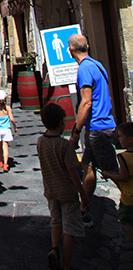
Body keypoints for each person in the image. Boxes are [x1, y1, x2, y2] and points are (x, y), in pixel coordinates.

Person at [68, 33, 118, 227]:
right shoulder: (97, 65)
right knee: (88, 166)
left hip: (98, 127)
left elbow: (86, 102)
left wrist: (76, 131)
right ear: (87, 46)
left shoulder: (84, 69)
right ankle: (84, 209)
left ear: (71, 50)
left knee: (112, 172)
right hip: (100, 126)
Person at [37, 102, 89, 270]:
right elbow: (72, 172)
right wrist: (82, 193)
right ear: (61, 123)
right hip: (67, 192)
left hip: (50, 190)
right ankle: (66, 265)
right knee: (70, 228)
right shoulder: (64, 146)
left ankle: (54, 249)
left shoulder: (40, 141)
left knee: (55, 221)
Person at [101, 121, 133, 243]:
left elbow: (123, 177)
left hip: (129, 198)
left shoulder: (123, 157)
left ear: (130, 139)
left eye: (120, 136)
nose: (119, 139)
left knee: (125, 218)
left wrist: (109, 175)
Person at [0, 89, 17, 172]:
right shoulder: (8, 108)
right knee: (5, 147)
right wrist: (15, 127)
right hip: (6, 129)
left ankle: (1, 160)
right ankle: (6, 164)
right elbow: (12, 119)